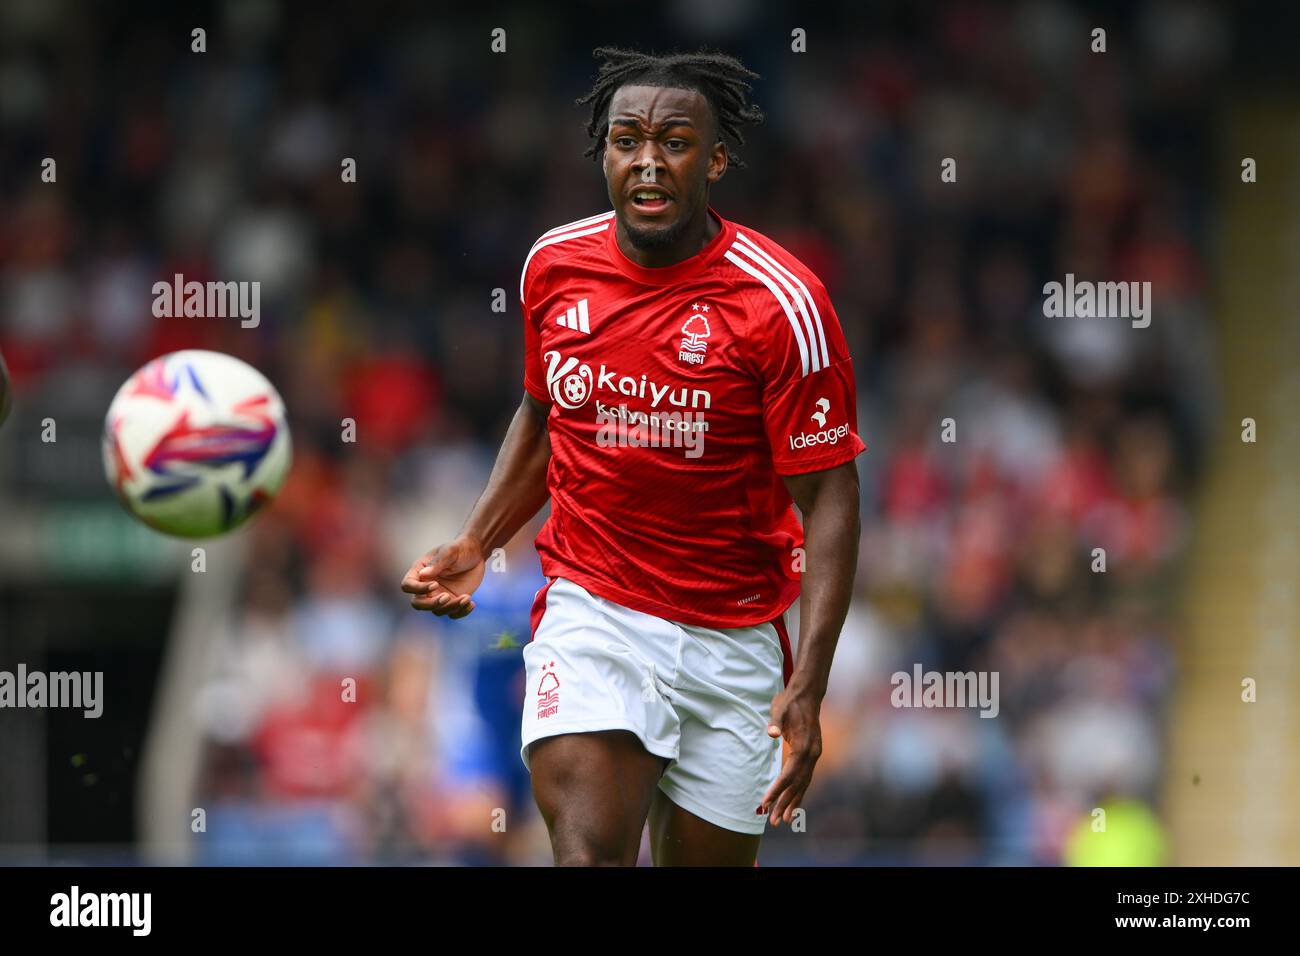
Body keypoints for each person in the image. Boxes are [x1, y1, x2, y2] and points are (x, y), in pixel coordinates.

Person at [401, 47, 865, 866]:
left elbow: (828, 496)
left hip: (735, 634)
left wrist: (810, 684)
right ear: (604, 155)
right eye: (627, 140)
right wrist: (480, 539)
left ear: (715, 159)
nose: (648, 160)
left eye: (675, 141)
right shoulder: (554, 267)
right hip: (595, 610)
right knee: (589, 852)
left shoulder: (782, 304)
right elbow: (547, 418)